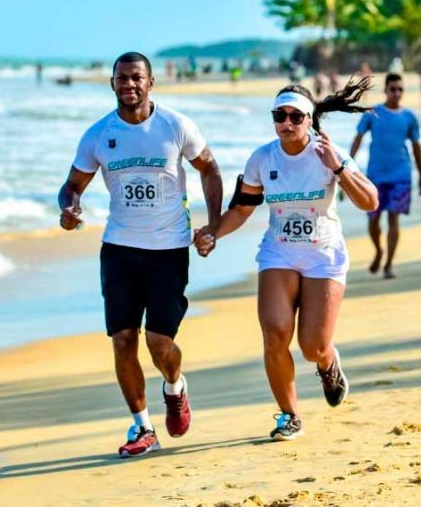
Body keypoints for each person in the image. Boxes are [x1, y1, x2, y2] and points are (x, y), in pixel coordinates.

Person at [57, 52, 224, 458]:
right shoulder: (99, 134)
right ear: (111, 83)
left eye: (136, 78)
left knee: (160, 343)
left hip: (167, 249)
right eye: (121, 78)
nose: (128, 85)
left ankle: (175, 386)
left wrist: (213, 226)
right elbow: (72, 185)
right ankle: (142, 426)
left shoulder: (175, 126)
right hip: (119, 249)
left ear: (151, 83)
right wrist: (68, 208)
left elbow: (210, 169)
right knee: (123, 339)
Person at [195, 80, 379, 441]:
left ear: (310, 119)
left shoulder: (328, 153)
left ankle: (328, 363)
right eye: (280, 115)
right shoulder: (262, 159)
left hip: (323, 255)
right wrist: (215, 232)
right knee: (275, 334)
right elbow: (242, 209)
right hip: (279, 251)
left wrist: (339, 168)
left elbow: (370, 201)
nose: (288, 122)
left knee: (312, 346)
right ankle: (289, 415)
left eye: (296, 116)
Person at [349, 73, 421, 279]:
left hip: (401, 174)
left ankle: (389, 263)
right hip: (375, 176)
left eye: (400, 89)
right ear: (385, 90)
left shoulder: (409, 117)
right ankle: (379, 251)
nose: (397, 93)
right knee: (373, 220)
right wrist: (346, 167)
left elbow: (416, 147)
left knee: (394, 219)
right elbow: (358, 138)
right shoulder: (373, 113)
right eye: (393, 89)